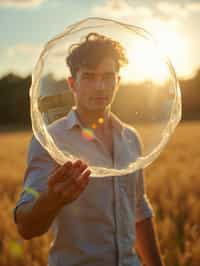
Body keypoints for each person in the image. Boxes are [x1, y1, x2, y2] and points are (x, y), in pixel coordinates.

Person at [13, 33, 164, 266]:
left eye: (107, 77)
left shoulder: (130, 138)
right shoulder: (51, 140)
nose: (100, 86)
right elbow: (25, 226)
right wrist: (53, 199)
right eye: (89, 77)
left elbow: (138, 209)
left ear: (118, 81)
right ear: (73, 83)